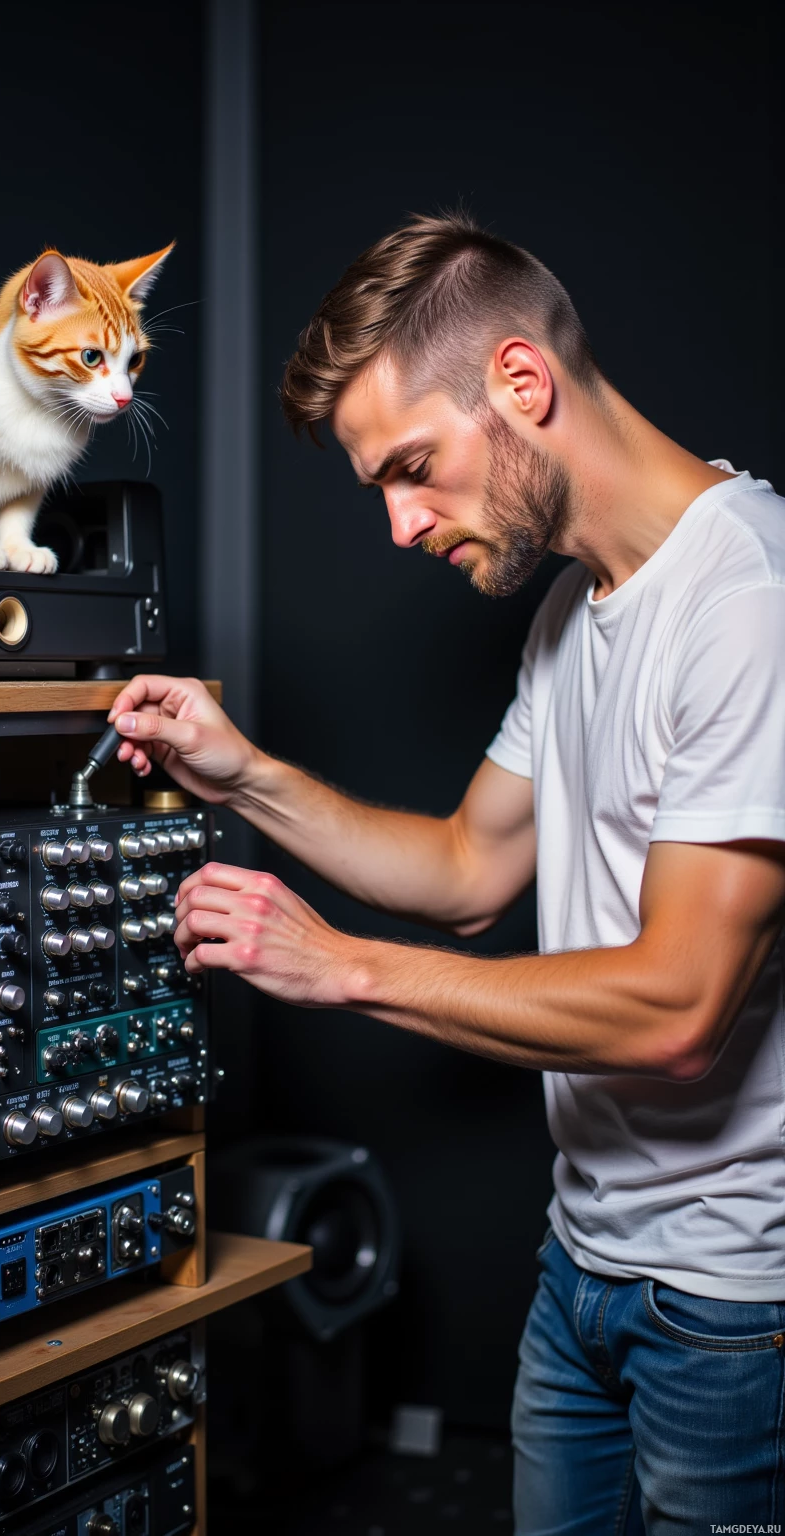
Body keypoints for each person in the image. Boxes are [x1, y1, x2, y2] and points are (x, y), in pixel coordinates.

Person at [107, 213, 785, 1535]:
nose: (405, 524)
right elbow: (471, 866)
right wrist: (239, 771)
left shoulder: (748, 597)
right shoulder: (570, 609)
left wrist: (341, 970)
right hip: (583, 1269)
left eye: (412, 467)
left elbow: (680, 1008)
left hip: (729, 1313)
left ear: (522, 385)